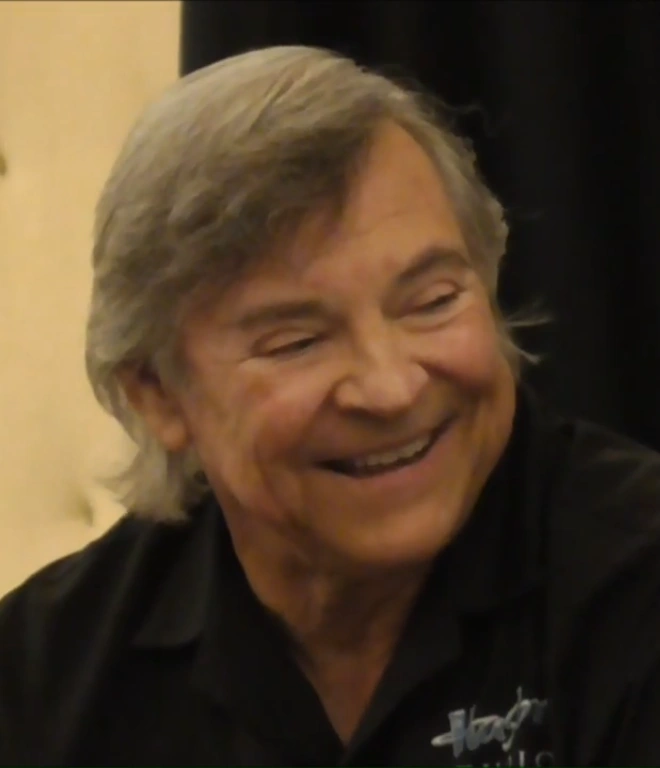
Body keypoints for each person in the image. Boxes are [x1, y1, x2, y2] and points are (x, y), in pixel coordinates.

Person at [1, 45, 660, 768]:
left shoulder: (633, 581)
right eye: (298, 342)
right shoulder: (46, 676)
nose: (392, 386)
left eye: (433, 301)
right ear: (156, 393)